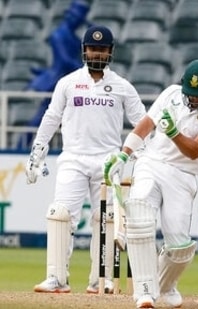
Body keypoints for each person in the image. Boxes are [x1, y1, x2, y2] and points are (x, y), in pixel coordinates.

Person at [26, 25, 147, 294]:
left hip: (109, 161)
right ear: (84, 50)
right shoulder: (68, 83)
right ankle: (56, 279)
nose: (97, 53)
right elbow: (51, 117)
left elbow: (142, 123)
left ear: (110, 52)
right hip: (73, 158)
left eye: (102, 49)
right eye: (93, 48)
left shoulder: (122, 86)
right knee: (60, 214)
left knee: (106, 218)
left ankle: (100, 280)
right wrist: (38, 150)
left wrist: (144, 156)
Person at [103, 59, 198, 308]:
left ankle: (166, 286)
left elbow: (194, 151)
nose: (192, 100)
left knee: (180, 247)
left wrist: (173, 133)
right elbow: (145, 125)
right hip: (151, 162)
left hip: (183, 174)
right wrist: (124, 154)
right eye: (190, 94)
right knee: (139, 216)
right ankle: (145, 292)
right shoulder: (172, 93)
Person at [20, 0, 92, 149]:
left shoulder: (74, 38)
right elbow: (65, 61)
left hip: (70, 83)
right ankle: (21, 145)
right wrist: (87, 70)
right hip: (56, 82)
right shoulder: (58, 35)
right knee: (43, 117)